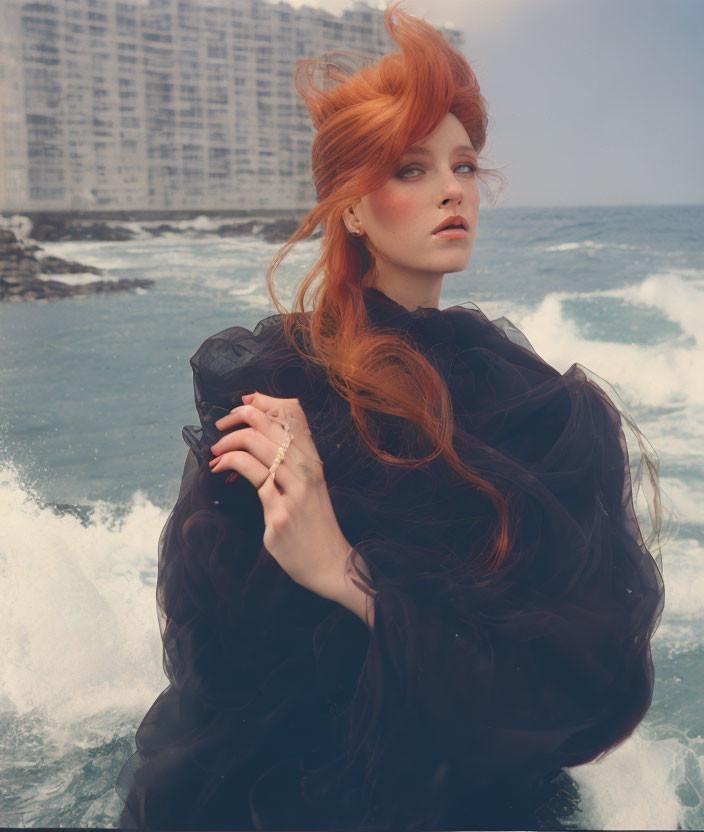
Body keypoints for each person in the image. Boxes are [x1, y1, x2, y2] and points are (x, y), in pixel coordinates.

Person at [116, 2, 665, 829]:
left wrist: (350, 575)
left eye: (465, 166)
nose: (452, 189)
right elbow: (223, 662)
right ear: (349, 207)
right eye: (411, 169)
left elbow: (585, 681)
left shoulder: (545, 411)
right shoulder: (274, 390)